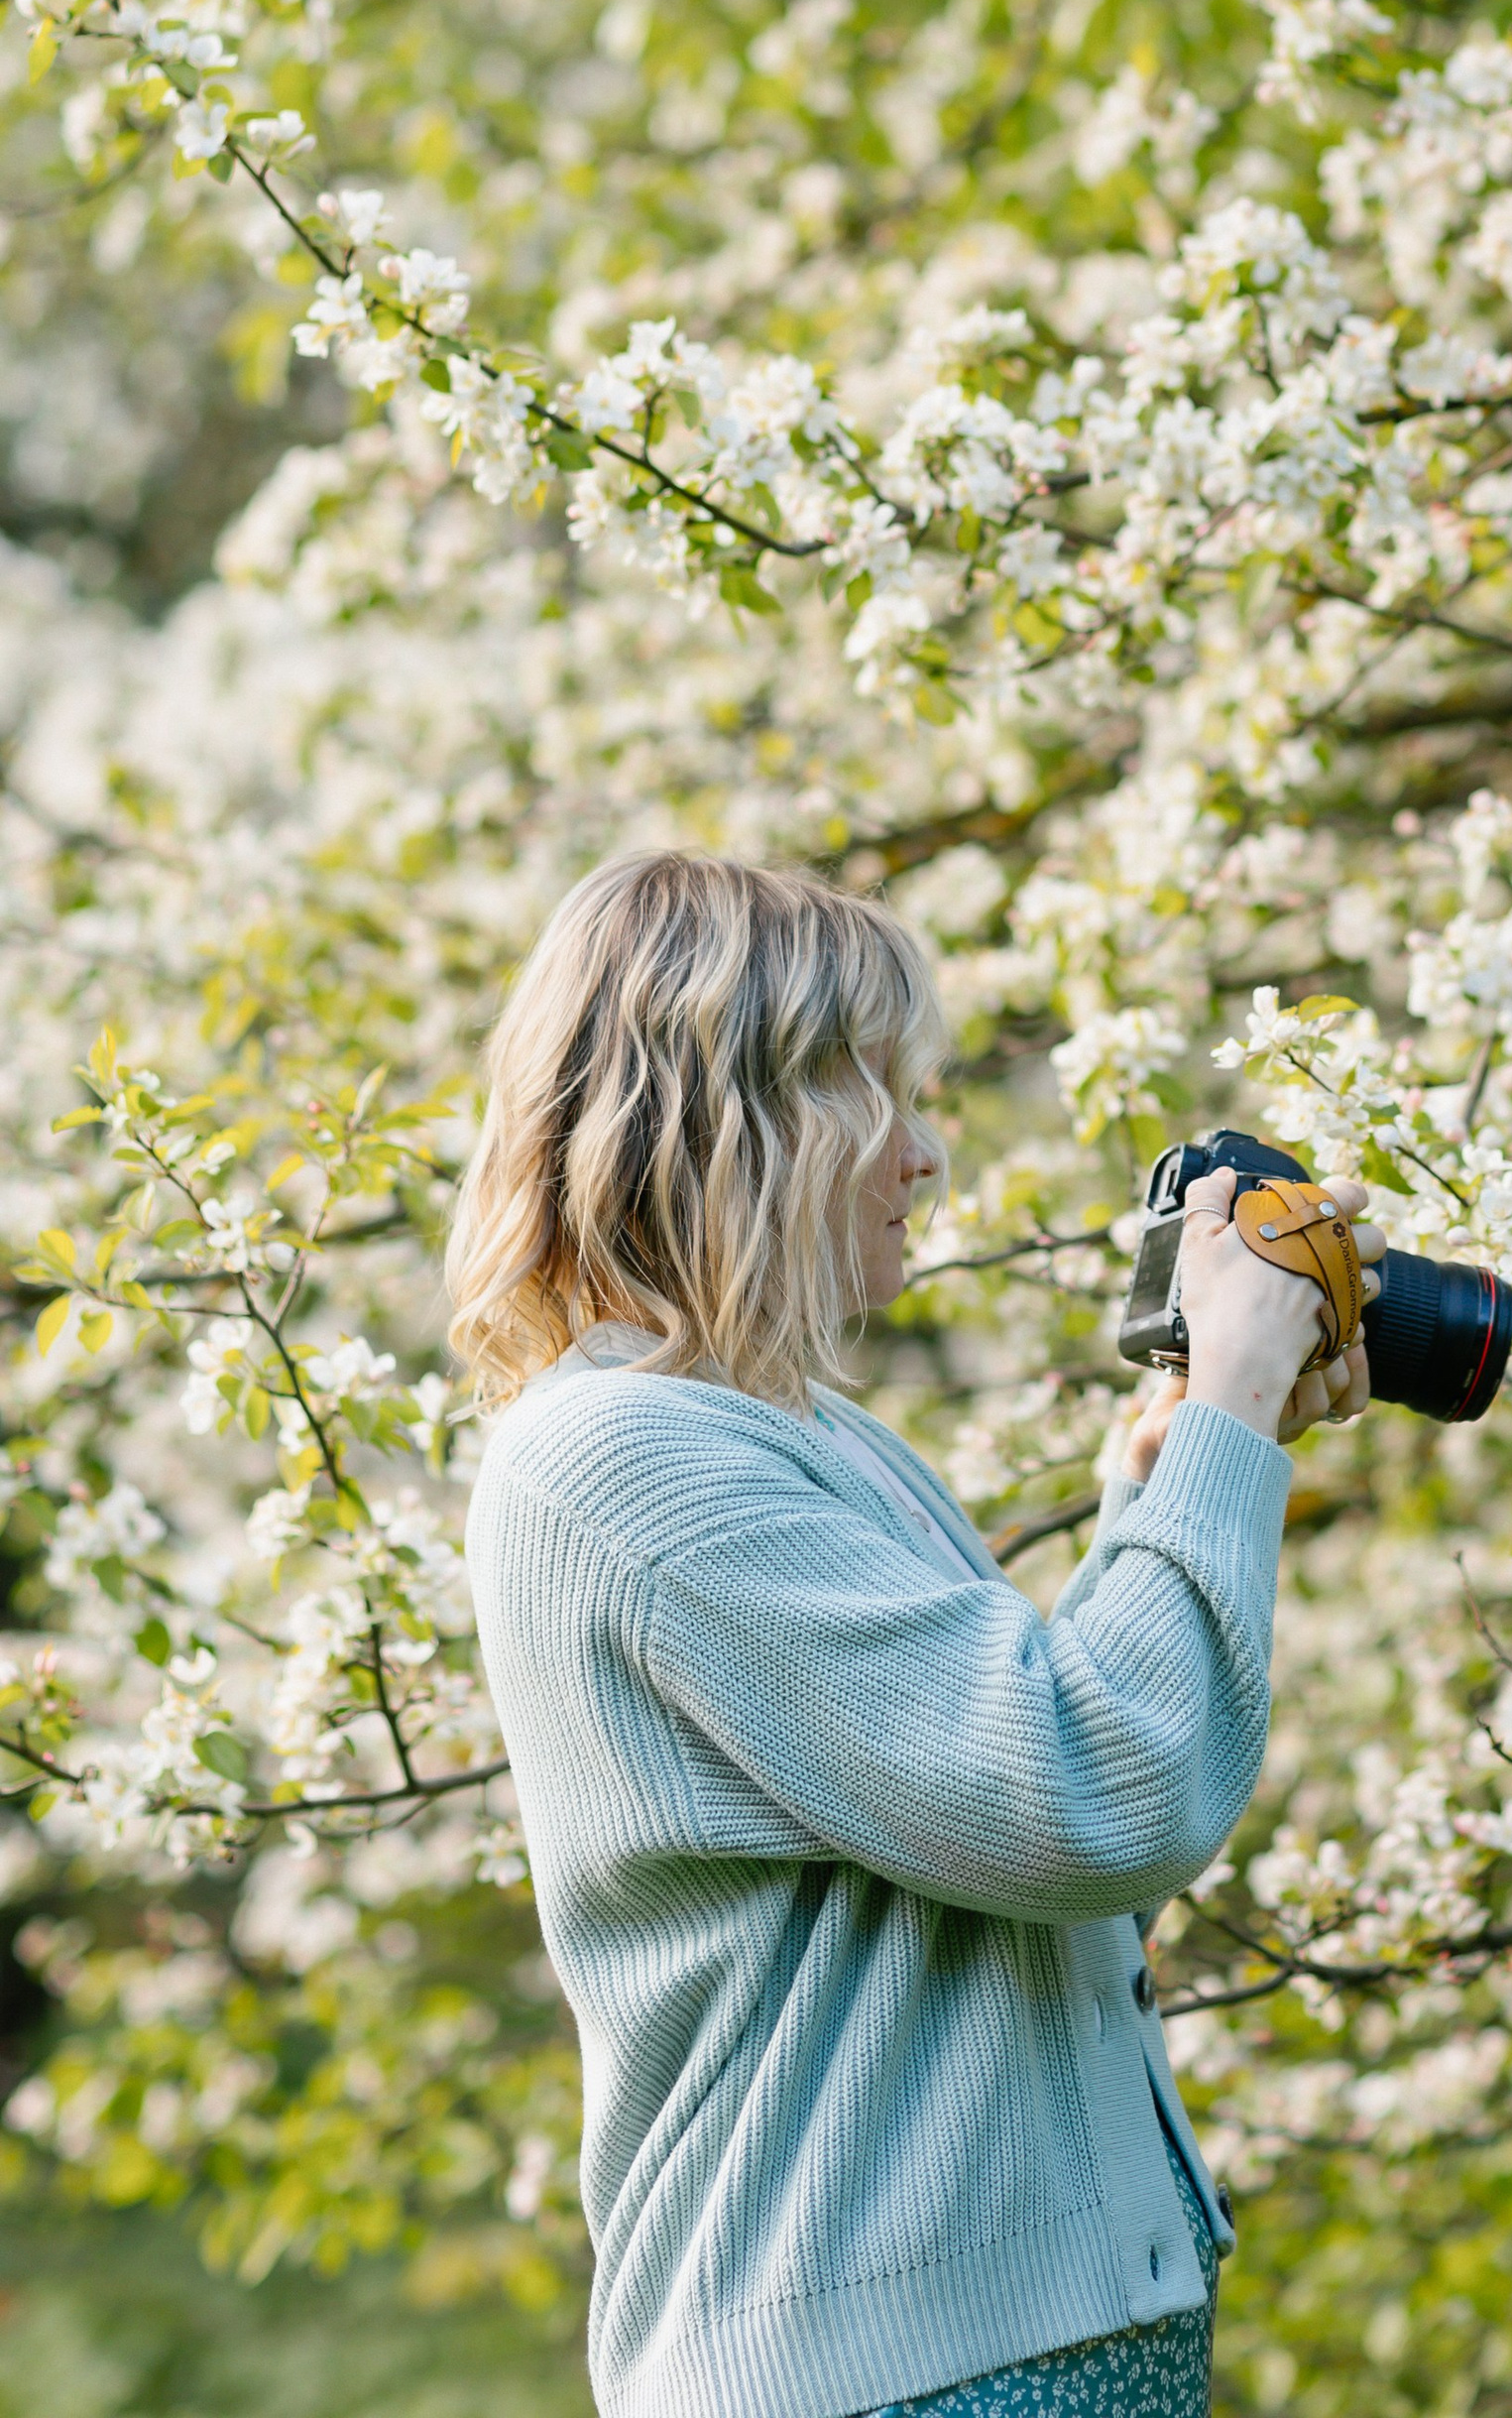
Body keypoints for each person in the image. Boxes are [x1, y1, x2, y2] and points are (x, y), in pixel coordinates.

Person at [450, 847, 1378, 2418]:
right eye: (886, 1093)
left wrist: (1169, 1473)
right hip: (887, 2374)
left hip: (1001, 2351)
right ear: (748, 1118)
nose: (929, 1156)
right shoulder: (620, 1462)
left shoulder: (805, 1439)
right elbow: (1095, 1792)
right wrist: (1223, 1419)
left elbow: (1020, 1847)